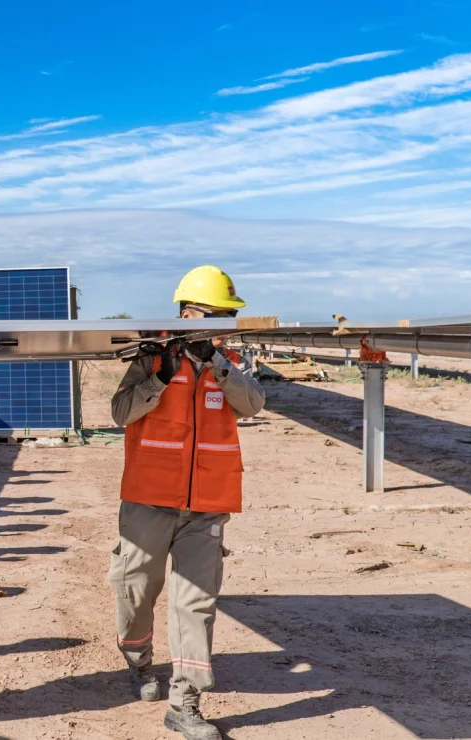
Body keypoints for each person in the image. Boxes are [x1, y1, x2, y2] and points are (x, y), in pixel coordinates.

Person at [108, 265, 265, 740]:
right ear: (190, 313)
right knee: (135, 586)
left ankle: (186, 701)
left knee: (195, 602)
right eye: (219, 316)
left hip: (208, 504)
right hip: (148, 501)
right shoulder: (151, 358)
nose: (226, 326)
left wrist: (217, 365)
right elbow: (120, 412)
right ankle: (137, 657)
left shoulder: (228, 363)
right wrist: (161, 377)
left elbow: (254, 404)